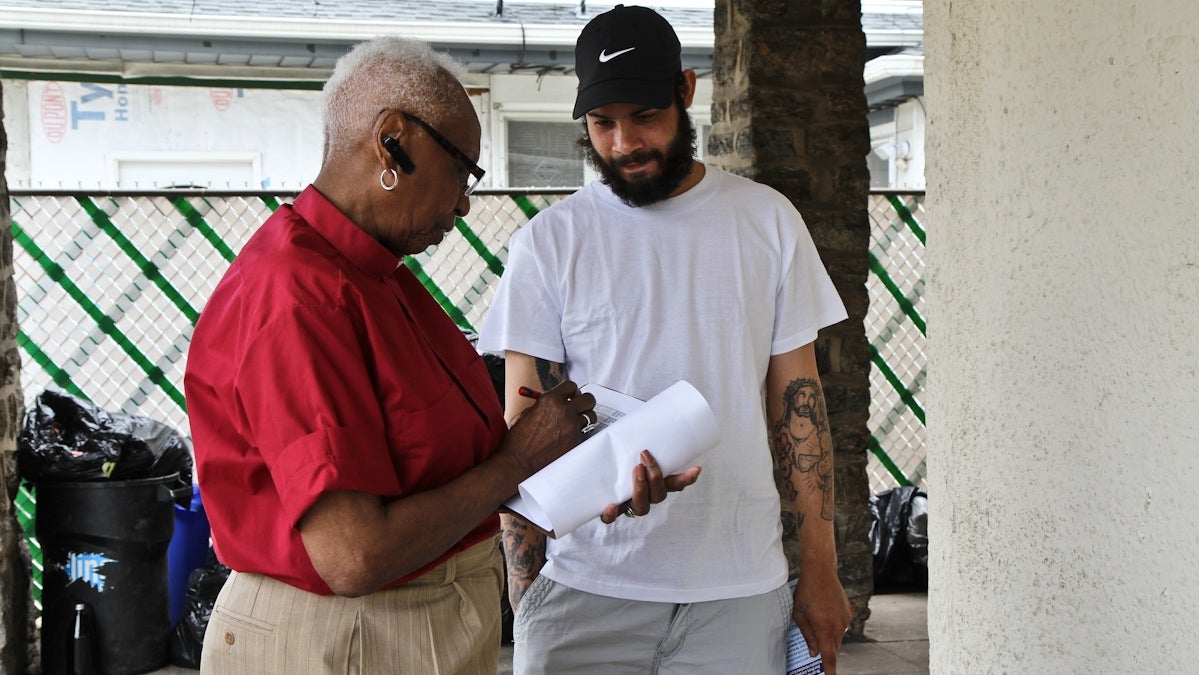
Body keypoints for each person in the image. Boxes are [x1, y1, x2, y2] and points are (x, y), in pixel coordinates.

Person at [183, 36, 609, 674]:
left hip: (404, 627)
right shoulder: (301, 295)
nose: (464, 203)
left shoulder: (372, 274)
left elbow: (439, 467)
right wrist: (518, 461)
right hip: (341, 638)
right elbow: (354, 556)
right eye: (463, 170)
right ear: (392, 141)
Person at [478, 5, 854, 674]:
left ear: (686, 92)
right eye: (601, 123)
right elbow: (521, 424)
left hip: (737, 590)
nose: (623, 142)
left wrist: (821, 571)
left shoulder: (766, 220)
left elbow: (798, 404)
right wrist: (526, 591)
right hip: (583, 593)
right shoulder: (547, 242)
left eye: (643, 115)